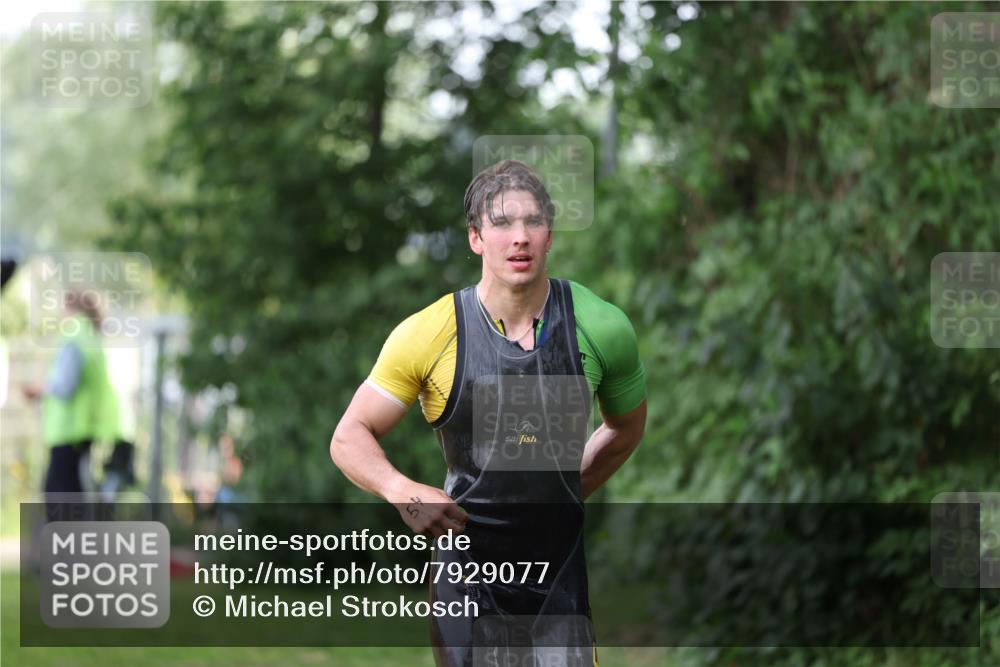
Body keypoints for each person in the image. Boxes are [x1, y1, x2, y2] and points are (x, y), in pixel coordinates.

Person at [330, 159, 647, 667]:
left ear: (550, 236)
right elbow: (349, 436)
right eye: (502, 223)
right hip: (465, 578)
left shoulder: (601, 327)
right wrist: (403, 492)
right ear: (476, 238)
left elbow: (626, 428)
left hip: (558, 577)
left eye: (532, 222)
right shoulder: (429, 333)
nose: (518, 237)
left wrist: (564, 486)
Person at [23, 289, 116, 498]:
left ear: (71, 307)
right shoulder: (89, 335)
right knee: (71, 490)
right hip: (81, 427)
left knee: (60, 493)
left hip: (69, 430)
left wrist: (39, 389)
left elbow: (65, 385)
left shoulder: (74, 335)